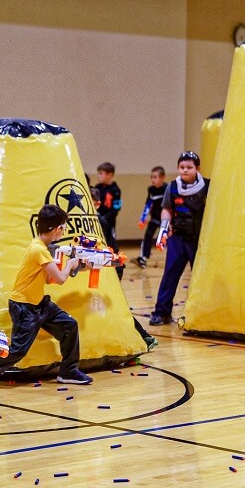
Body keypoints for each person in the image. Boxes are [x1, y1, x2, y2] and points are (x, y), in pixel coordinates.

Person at [0, 204, 93, 390]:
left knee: (69, 325)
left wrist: (77, 268)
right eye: (63, 227)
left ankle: (68, 371)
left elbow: (49, 279)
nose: (63, 231)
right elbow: (60, 279)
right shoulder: (38, 250)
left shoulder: (42, 247)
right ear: (57, 229)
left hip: (39, 303)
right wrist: (70, 265)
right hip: (24, 306)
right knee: (17, 350)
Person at [90, 187, 158, 352]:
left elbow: (109, 249)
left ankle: (143, 336)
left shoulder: (100, 222)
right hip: (99, 269)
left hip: (112, 268)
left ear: (97, 204)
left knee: (115, 306)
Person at [149, 151, 209, 326]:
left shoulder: (208, 186)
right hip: (178, 239)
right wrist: (163, 229)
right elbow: (167, 208)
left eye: (189, 167)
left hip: (199, 240)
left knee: (200, 278)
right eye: (182, 167)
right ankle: (162, 312)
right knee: (170, 274)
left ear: (197, 168)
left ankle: (201, 314)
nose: (185, 170)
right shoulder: (173, 187)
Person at [132, 166, 167, 269]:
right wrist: (143, 218)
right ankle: (143, 257)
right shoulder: (151, 189)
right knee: (148, 235)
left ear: (162, 177)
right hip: (155, 218)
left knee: (169, 239)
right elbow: (148, 204)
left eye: (155, 177)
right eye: (151, 177)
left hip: (166, 220)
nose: (153, 179)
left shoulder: (167, 189)